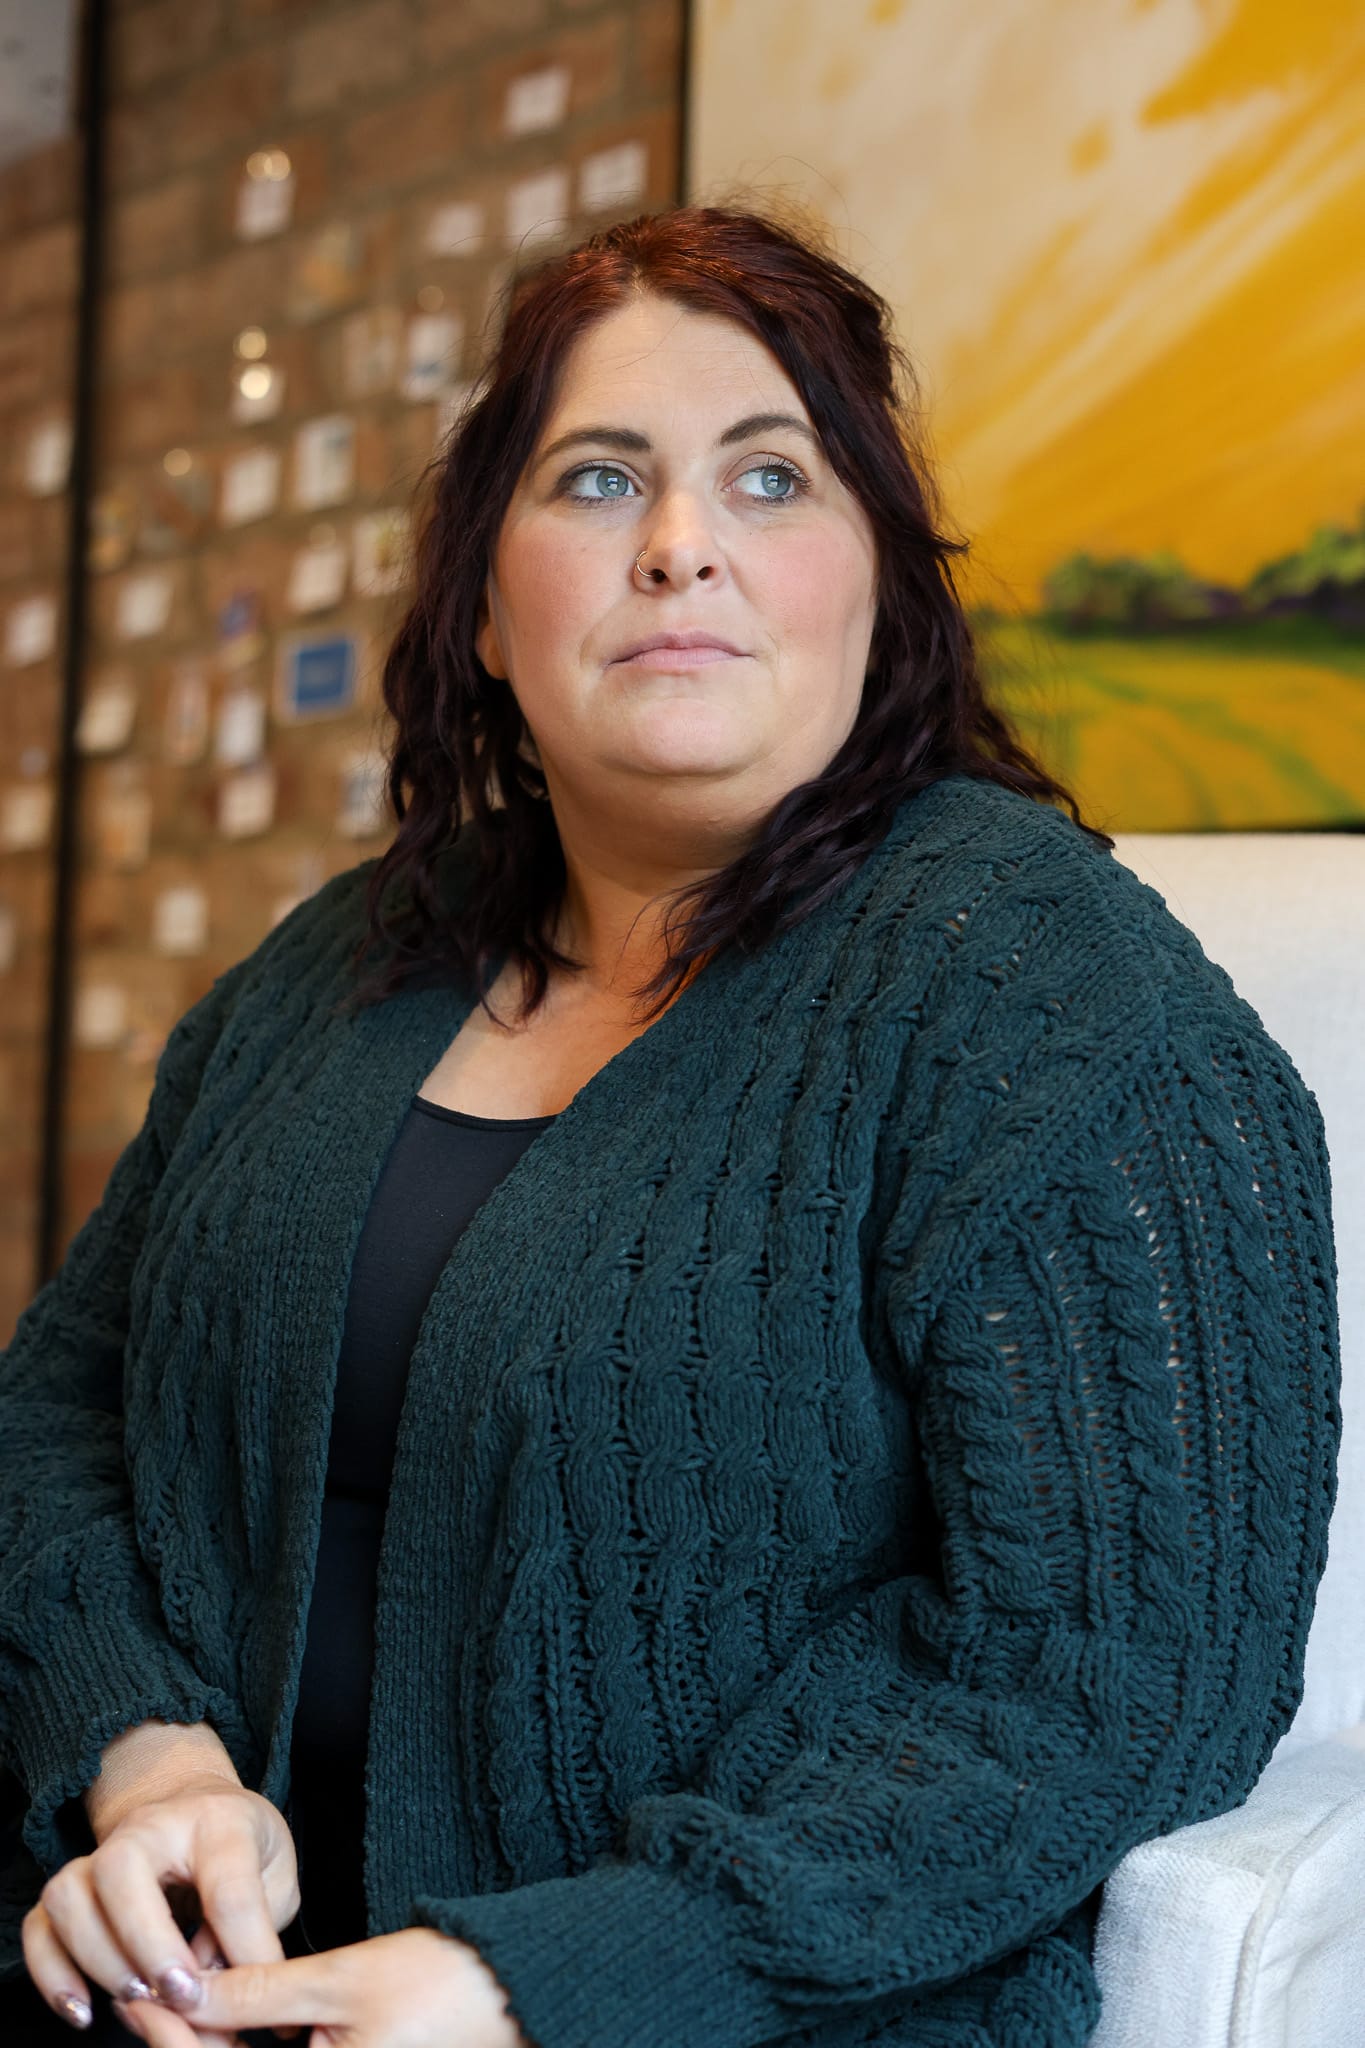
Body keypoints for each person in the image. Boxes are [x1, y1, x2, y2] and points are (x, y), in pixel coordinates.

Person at [0, 199, 1341, 2048]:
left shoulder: (1044, 996)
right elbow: (56, 1413)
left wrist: (548, 1977)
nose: (683, 548)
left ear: (882, 582)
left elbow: (1113, 1673)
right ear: (481, 601)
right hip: (154, 1984)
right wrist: (142, 1760)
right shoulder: (336, 964)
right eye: (599, 480)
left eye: (773, 481)